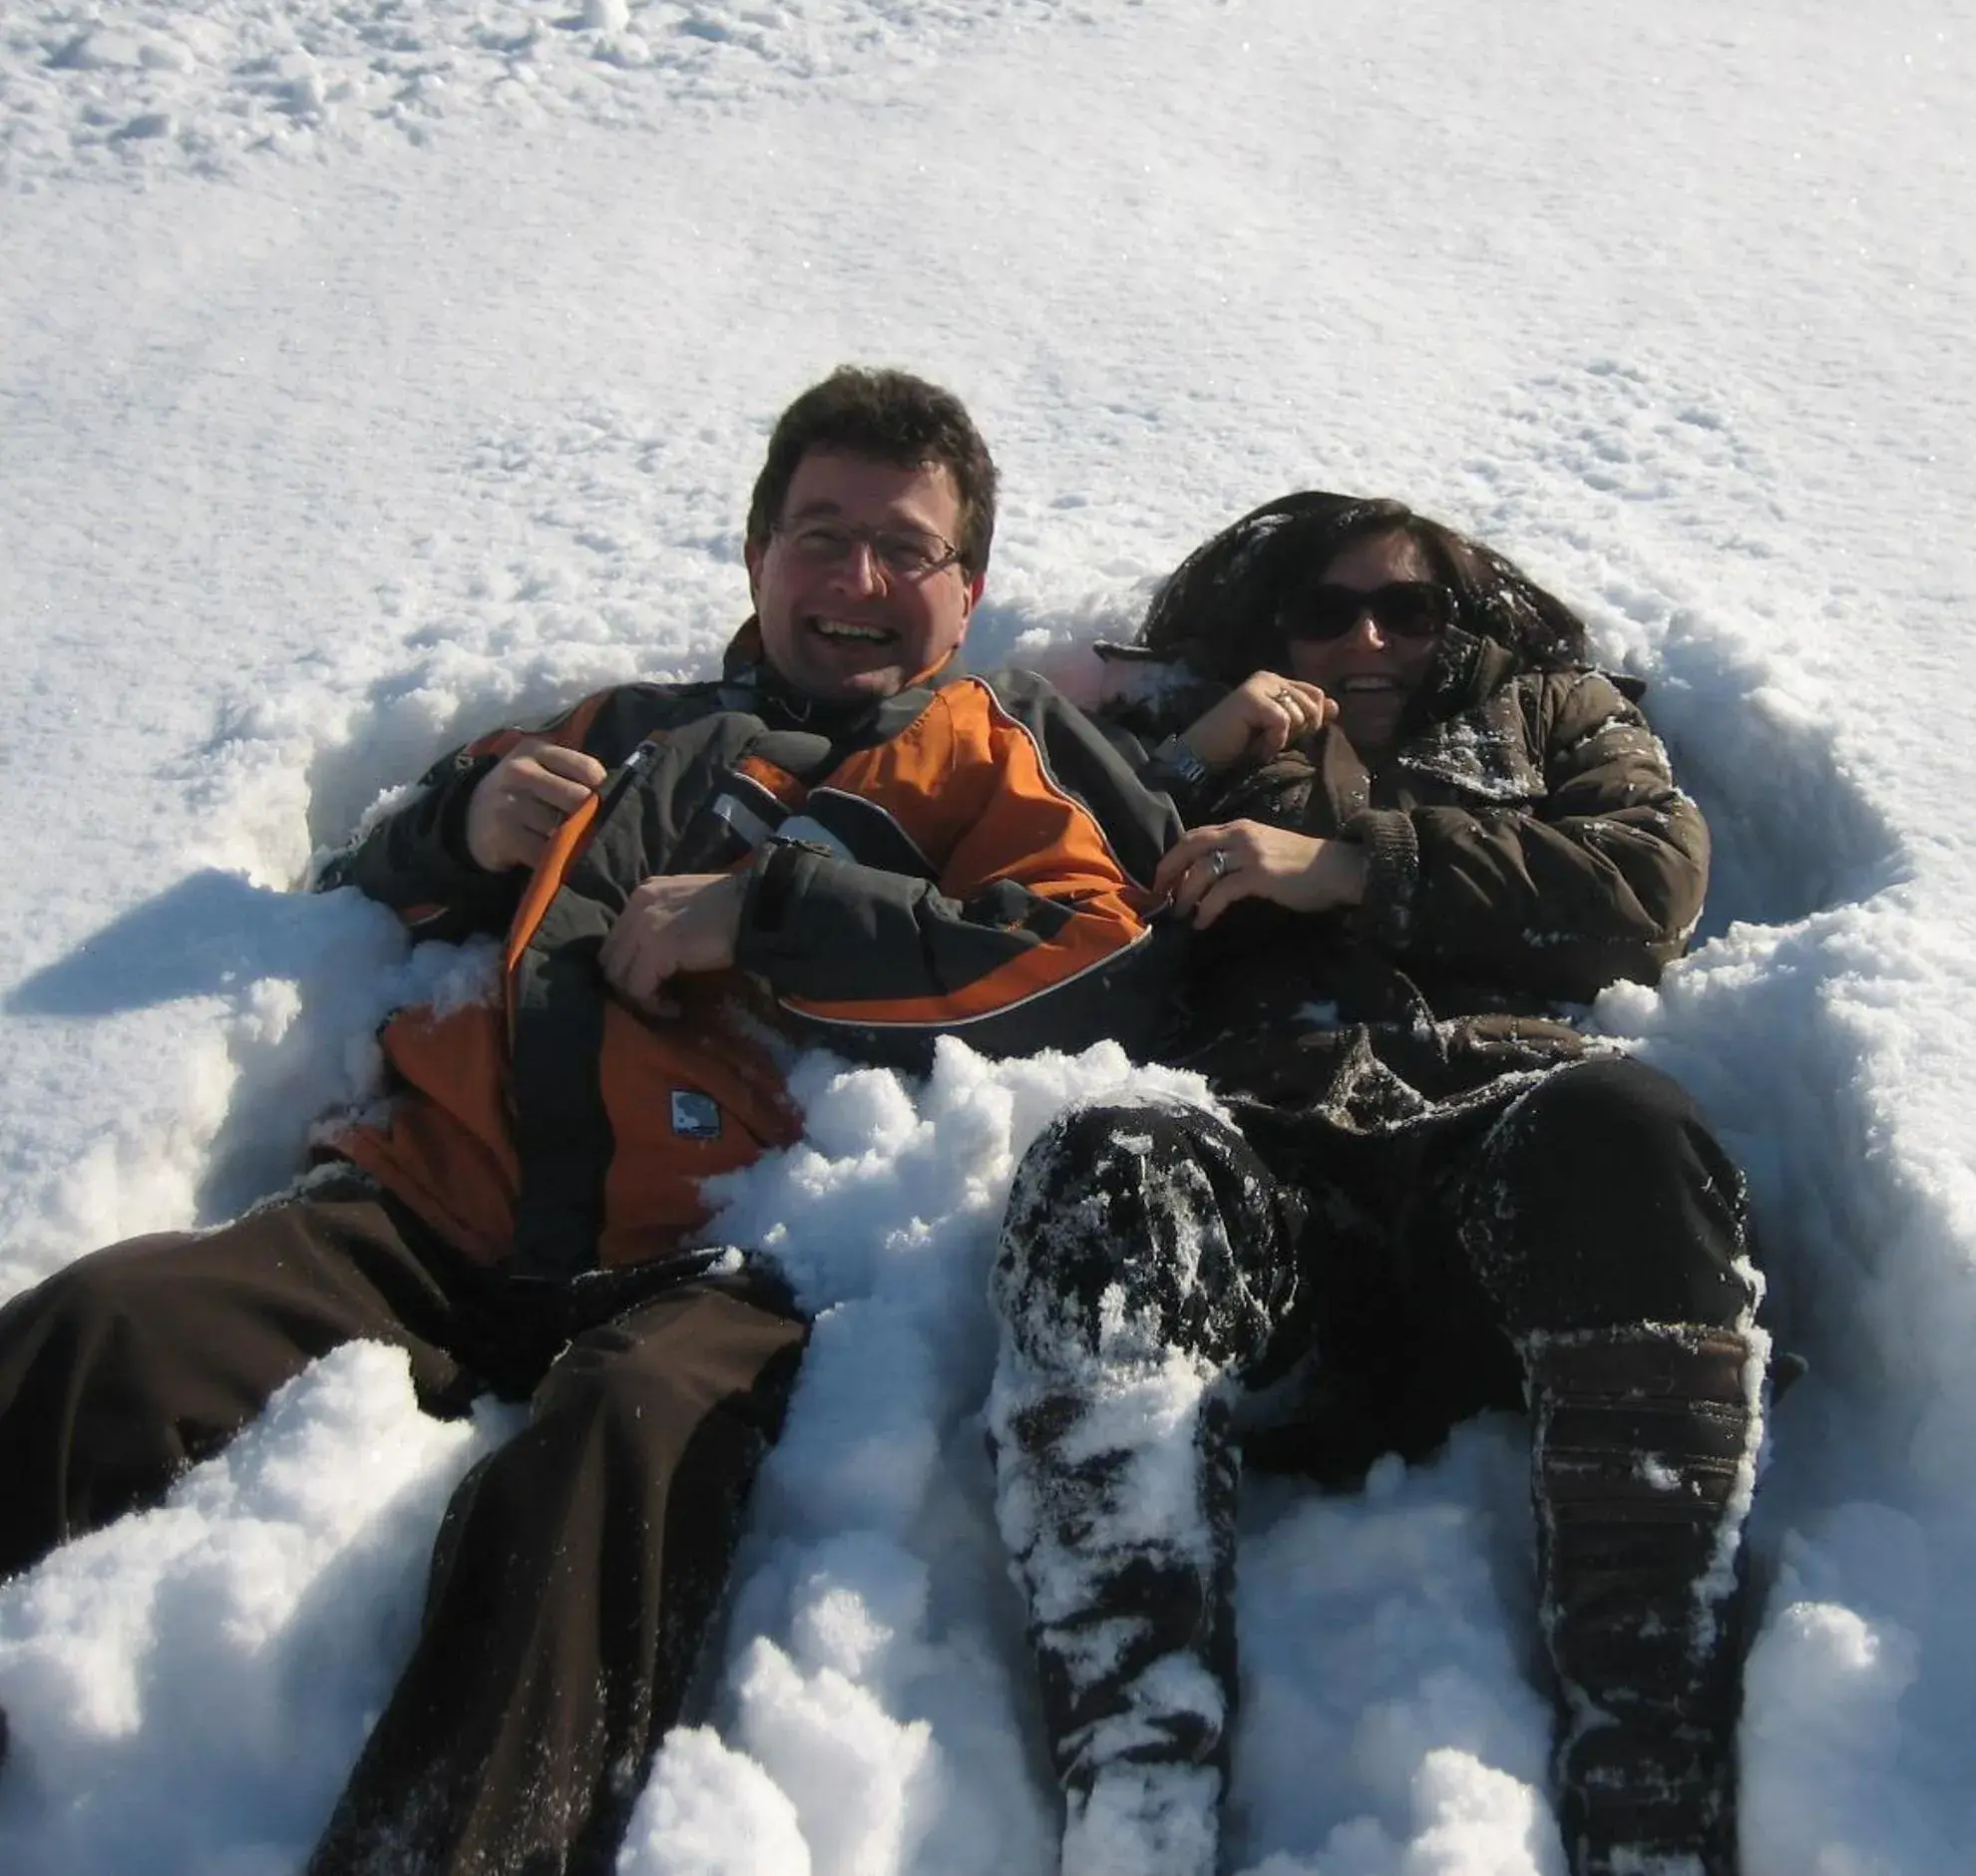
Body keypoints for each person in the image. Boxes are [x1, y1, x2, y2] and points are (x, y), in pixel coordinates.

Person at [0, 367, 1179, 1875]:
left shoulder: (981, 762)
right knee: (99, 1328)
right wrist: (461, 823)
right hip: (423, 1210)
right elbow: (362, 873)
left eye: (907, 550)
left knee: (606, 1467)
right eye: (822, 534)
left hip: (705, 1260)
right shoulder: (626, 725)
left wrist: (773, 917)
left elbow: (1093, 961)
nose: (859, 581)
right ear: (758, 556)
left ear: (971, 591)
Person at [988, 492, 1770, 1876]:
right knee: (1109, 1173)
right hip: (1266, 1154)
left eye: (1403, 608)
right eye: (1327, 609)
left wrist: (1349, 869)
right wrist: (1185, 760)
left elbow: (1651, 881)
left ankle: (1648, 1763)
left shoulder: (1557, 713)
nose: (1367, 637)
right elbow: (1034, 874)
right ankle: (1135, 1793)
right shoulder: (1203, 727)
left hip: (1500, 1138)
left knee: (1631, 1134)